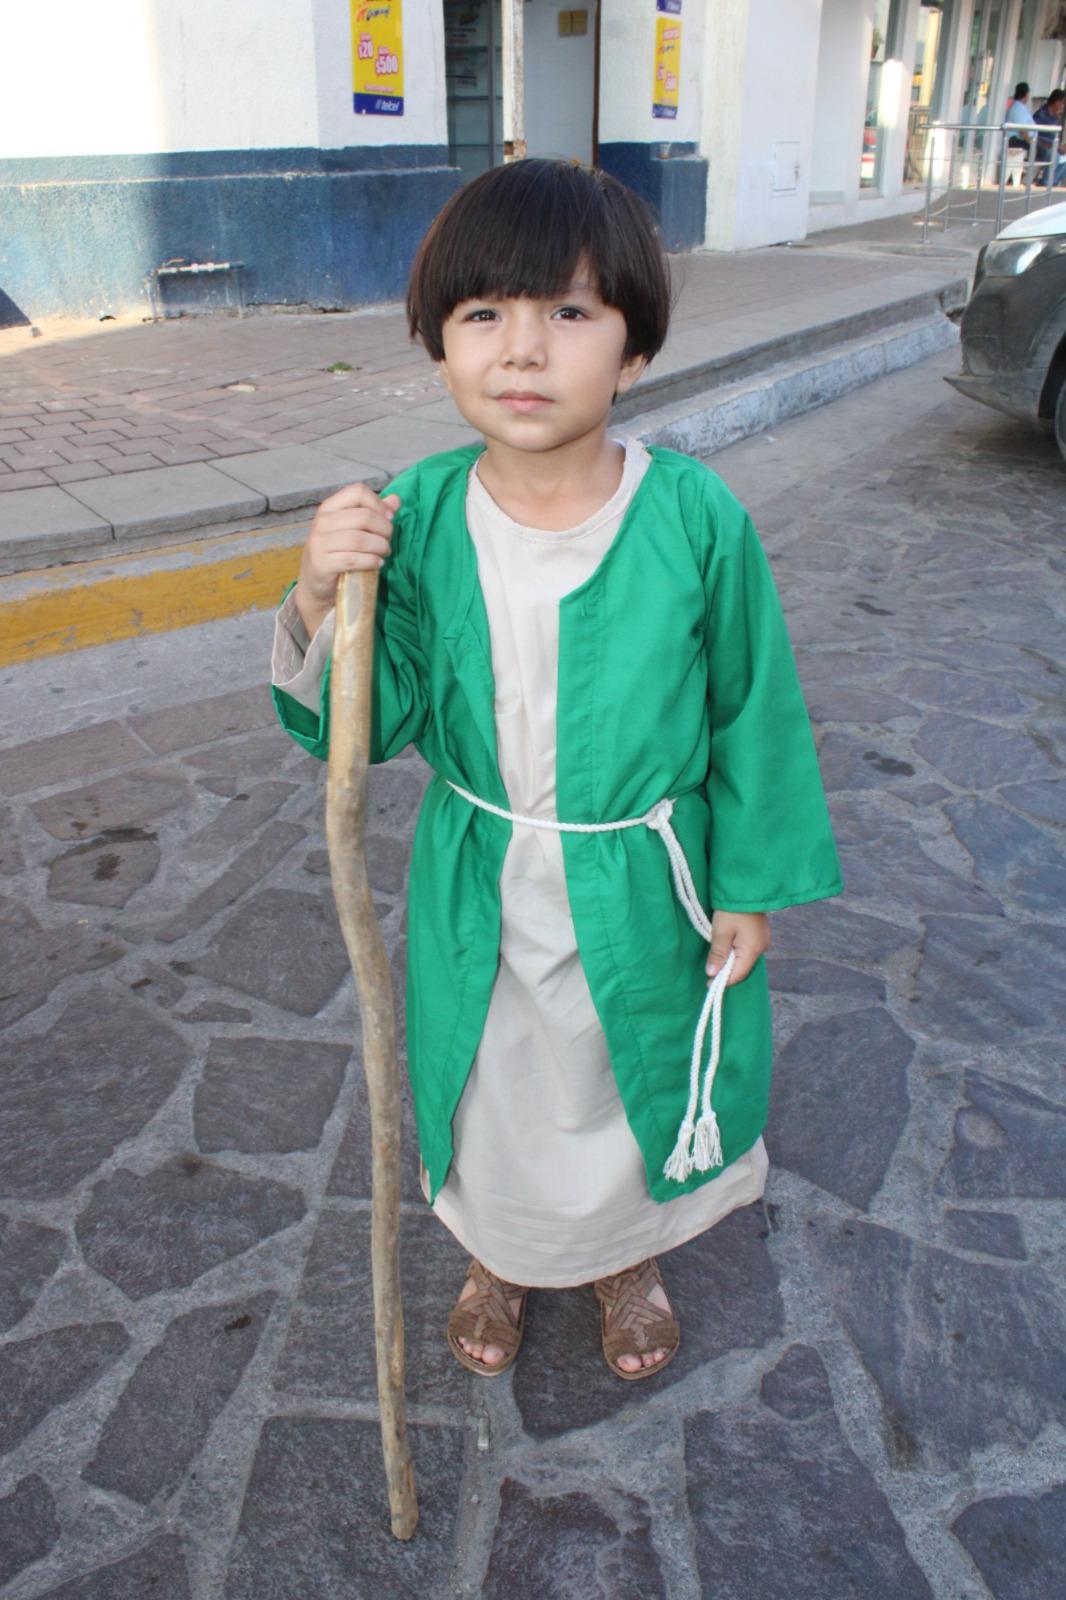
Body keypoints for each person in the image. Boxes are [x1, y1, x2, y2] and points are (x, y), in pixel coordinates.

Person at [271, 159, 842, 1381]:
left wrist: (748, 889)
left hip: (640, 880)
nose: (523, 350)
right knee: (497, 1083)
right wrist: (322, 592)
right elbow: (369, 722)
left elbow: (752, 710)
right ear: (438, 346)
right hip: (484, 876)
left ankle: (625, 1258)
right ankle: (502, 1254)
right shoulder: (417, 517)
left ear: (632, 352)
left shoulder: (694, 518)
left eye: (570, 312)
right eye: (484, 313)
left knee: (621, 1079)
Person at [1034, 88, 1066, 187]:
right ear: (1057, 102)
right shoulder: (1041, 114)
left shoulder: (1055, 117)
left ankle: (1051, 182)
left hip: (1053, 146)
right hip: (1041, 146)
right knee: (1055, 156)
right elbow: (1035, 135)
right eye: (1062, 103)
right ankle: (1046, 183)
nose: (1062, 106)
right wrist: (1056, 146)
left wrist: (1060, 146)